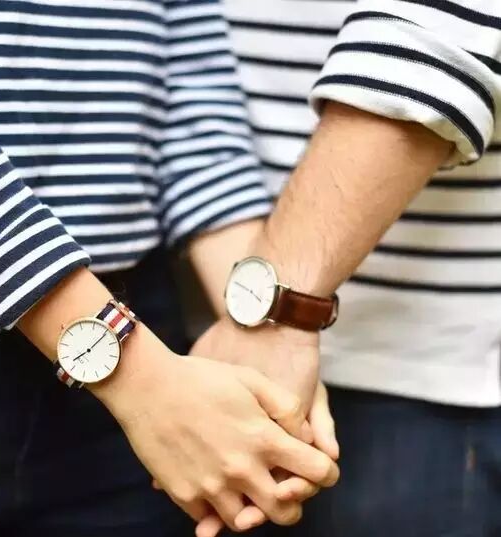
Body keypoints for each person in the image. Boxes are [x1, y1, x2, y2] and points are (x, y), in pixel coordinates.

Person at [0, 1, 340, 536]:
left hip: (146, 350)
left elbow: (189, 86)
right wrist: (138, 377)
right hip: (49, 357)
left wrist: (265, 331)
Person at [187, 0, 501, 536]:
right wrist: (248, 318)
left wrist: (279, 308)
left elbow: (436, 33)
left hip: (419, 370)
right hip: (230, 352)